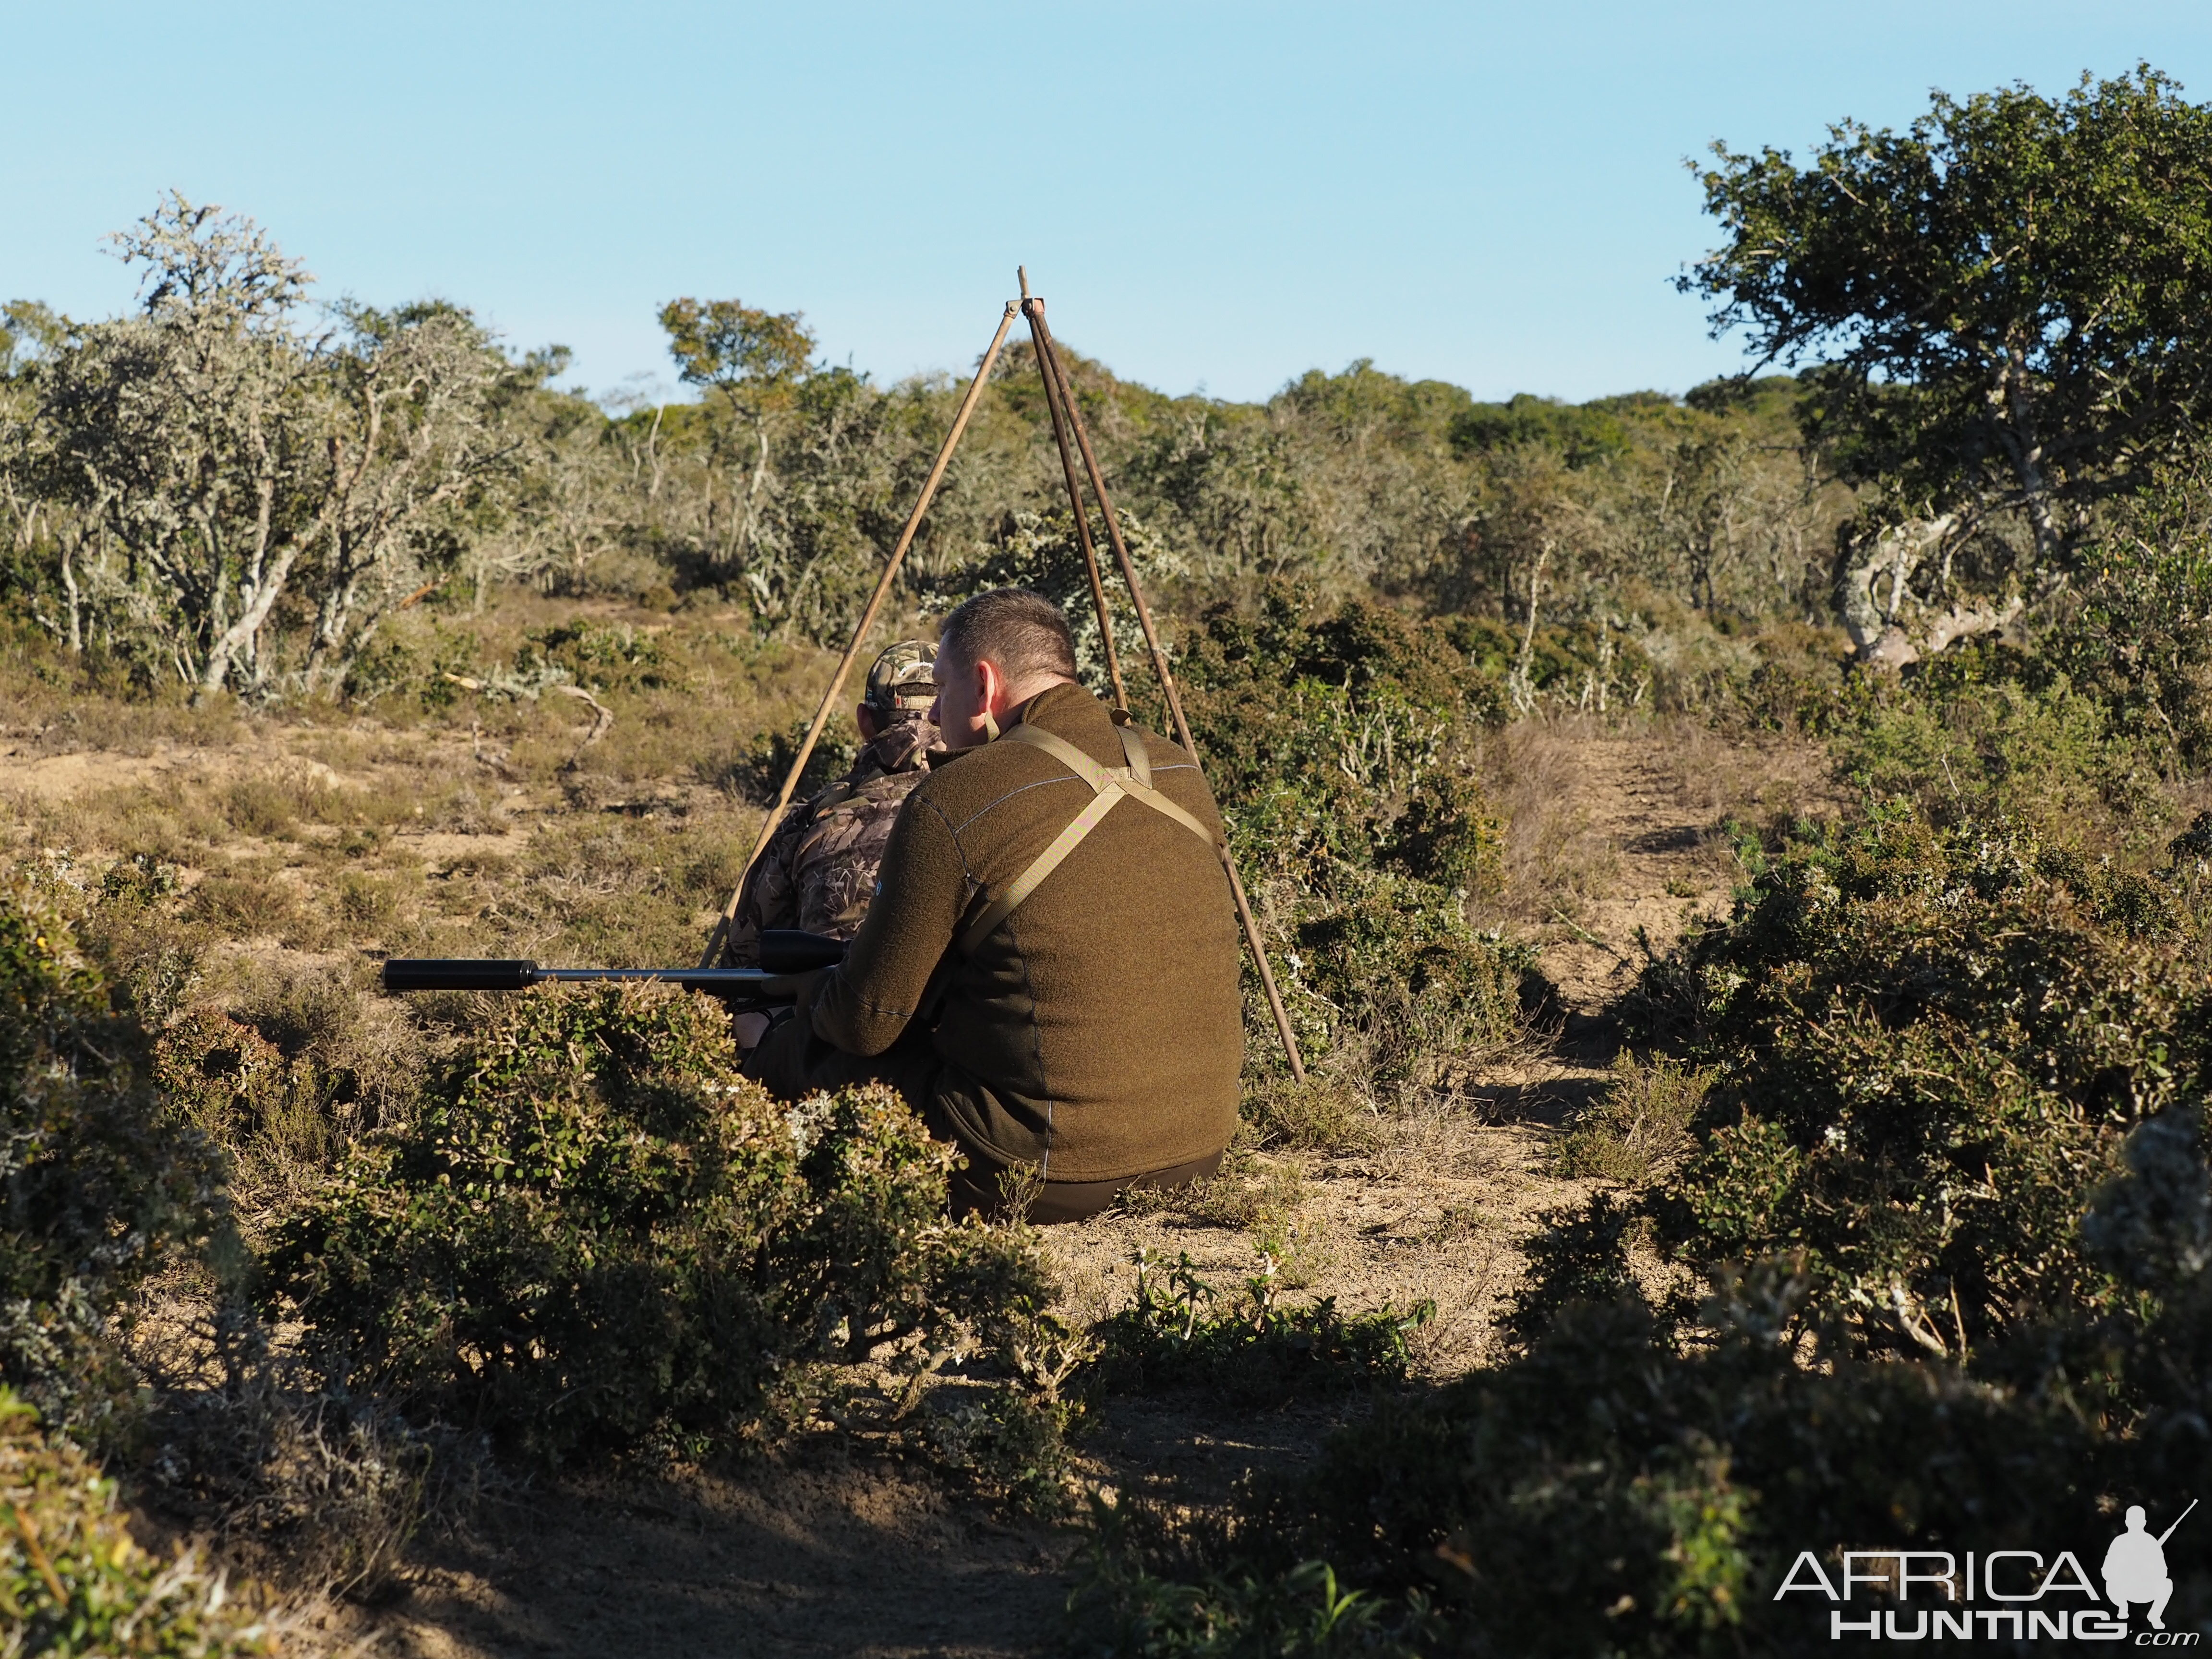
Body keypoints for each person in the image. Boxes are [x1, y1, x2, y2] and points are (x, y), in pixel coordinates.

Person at [745, 588, 1243, 1222]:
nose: (938, 716)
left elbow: (866, 1023)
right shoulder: (1178, 772)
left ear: (983, 687)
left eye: (943, 693)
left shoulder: (957, 795)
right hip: (1197, 1152)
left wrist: (808, 995)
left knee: (795, 1053)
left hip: (1038, 1171)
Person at [719, 639, 939, 968]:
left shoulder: (811, 818)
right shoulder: (1003, 803)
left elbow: (746, 957)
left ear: (864, 721)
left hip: (824, 1010)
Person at [2104, 1505, 2176, 1630]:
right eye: (2133, 1521)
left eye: (2138, 1521)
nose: (2135, 1524)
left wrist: (2148, 1570)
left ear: (2144, 1523)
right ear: (2127, 1522)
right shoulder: (2119, 1542)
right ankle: (2122, 1607)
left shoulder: (2151, 1542)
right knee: (2110, 1584)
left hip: (2145, 1589)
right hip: (2123, 1589)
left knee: (2167, 1584)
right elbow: (2107, 1570)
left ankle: (2154, 1615)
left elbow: (2163, 1572)